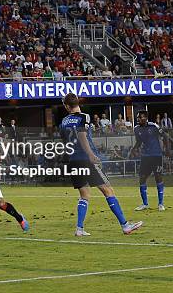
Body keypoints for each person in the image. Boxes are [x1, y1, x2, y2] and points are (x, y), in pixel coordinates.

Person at [60, 93, 143, 236]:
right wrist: (91, 154)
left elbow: (65, 142)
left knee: (84, 194)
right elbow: (82, 135)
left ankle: (79, 229)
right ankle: (125, 225)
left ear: (67, 106)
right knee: (108, 191)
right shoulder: (84, 117)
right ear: (77, 103)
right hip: (86, 159)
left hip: (73, 160)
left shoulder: (64, 121)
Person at [130, 111, 167, 211]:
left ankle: (161, 204)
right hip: (145, 157)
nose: (137, 119)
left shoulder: (154, 126)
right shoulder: (136, 129)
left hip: (156, 155)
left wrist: (166, 150)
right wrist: (134, 149)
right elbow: (139, 141)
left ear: (145, 118)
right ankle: (145, 204)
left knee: (158, 177)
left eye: (140, 118)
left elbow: (164, 136)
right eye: (137, 118)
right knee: (142, 178)